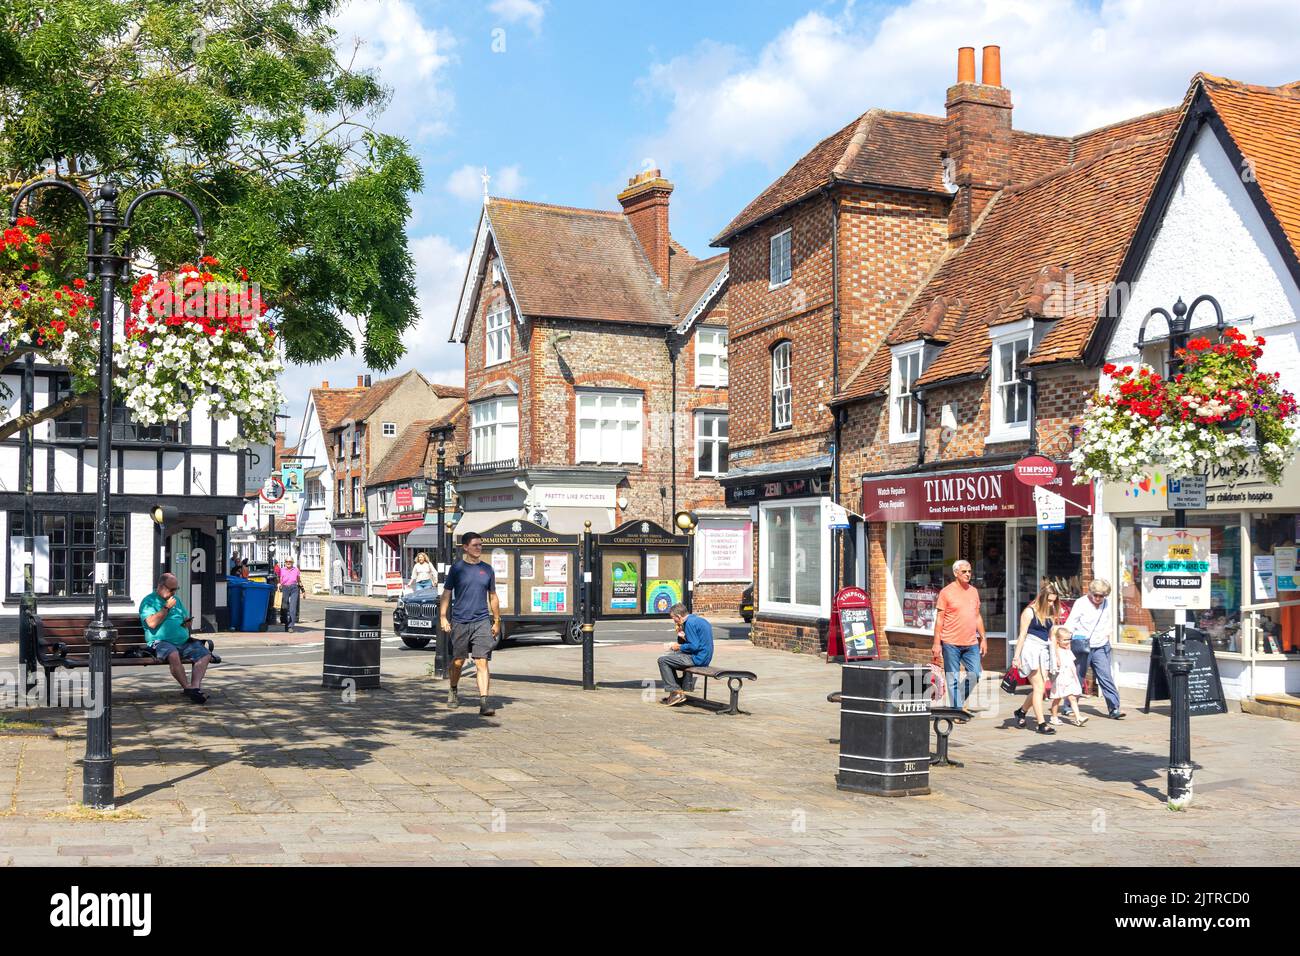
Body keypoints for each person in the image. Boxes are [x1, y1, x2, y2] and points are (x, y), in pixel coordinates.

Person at [439, 532, 501, 716]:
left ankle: (484, 702)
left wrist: (497, 620)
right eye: (475, 545)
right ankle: (453, 688)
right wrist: (443, 616)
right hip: (460, 621)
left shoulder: (488, 570)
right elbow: (447, 594)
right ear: (465, 547)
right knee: (458, 662)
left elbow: (493, 596)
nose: (479, 548)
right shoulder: (457, 569)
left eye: (480, 545)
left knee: (481, 662)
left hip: (481, 621)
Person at [139, 572, 213, 704]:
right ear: (161, 586)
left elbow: (183, 617)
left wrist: (187, 623)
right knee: (173, 654)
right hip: (160, 642)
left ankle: (195, 687)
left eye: (176, 589)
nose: (174, 592)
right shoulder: (149, 601)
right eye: (171, 589)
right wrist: (166, 607)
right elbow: (151, 623)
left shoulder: (176, 601)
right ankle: (188, 688)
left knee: (204, 654)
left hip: (182, 642)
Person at [1061, 577, 1125, 719]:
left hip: (1101, 645)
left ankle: (1114, 708)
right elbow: (1070, 623)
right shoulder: (1081, 603)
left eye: (1101, 596)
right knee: (1078, 676)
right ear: (1090, 592)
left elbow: (1108, 621)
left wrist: (1107, 634)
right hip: (1082, 645)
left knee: (1106, 676)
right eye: (1095, 595)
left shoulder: (1106, 604)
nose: (1097, 598)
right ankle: (1068, 706)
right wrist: (1066, 641)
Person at [931, 559, 987, 711]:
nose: (968, 574)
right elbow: (939, 620)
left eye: (969, 571)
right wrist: (937, 643)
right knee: (953, 678)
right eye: (964, 571)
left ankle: (958, 702)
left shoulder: (973, 591)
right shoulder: (946, 592)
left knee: (975, 673)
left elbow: (977, 616)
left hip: (971, 642)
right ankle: (957, 710)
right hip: (950, 642)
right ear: (956, 573)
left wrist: (983, 639)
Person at [1011, 582, 1061, 734]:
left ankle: (1021, 711)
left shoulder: (1051, 612)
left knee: (1039, 689)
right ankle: (1041, 723)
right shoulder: (1029, 612)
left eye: (1054, 601)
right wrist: (1016, 657)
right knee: (1039, 687)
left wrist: (1056, 656)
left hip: (1044, 652)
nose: (1052, 603)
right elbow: (1022, 635)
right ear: (1041, 597)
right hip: (1030, 650)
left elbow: (1052, 636)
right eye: (1049, 600)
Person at [658, 603, 714, 707]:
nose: (673, 620)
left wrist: (678, 647)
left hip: (698, 658)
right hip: (704, 655)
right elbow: (696, 642)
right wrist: (681, 635)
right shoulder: (698, 620)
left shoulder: (689, 623)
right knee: (670, 657)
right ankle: (677, 690)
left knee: (663, 660)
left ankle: (675, 692)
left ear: (679, 616)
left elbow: (694, 646)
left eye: (673, 618)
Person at [1048, 625, 1088, 727]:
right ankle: (1054, 717)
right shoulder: (1056, 651)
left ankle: (1078, 717)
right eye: (1064, 640)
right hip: (1060, 678)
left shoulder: (1068, 650)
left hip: (1069, 677)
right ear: (1058, 640)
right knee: (1057, 698)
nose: (1067, 641)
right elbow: (1052, 637)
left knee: (1072, 698)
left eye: (1069, 639)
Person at [278, 556, 302, 632]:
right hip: (285, 588)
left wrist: (303, 590)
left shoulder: (296, 570)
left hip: (294, 588)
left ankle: (291, 626)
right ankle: (286, 623)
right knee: (284, 607)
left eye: (290, 562)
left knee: (293, 607)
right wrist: (278, 584)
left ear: (292, 563)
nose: (288, 563)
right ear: (285, 563)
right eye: (287, 562)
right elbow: (279, 579)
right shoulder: (282, 570)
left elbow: (299, 580)